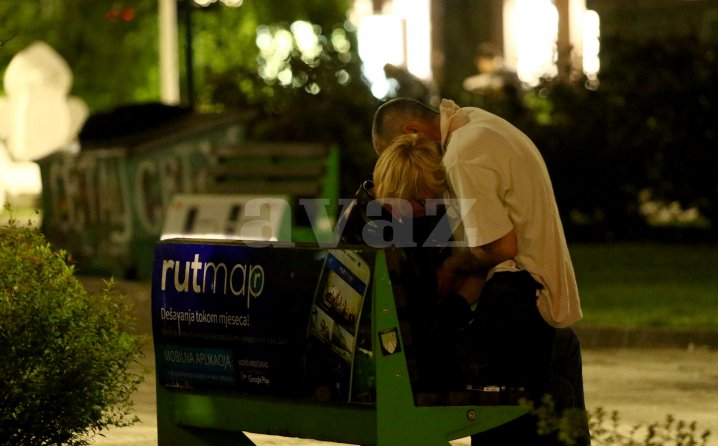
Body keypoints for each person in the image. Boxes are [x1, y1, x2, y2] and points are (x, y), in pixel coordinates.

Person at [371, 98, 589, 445]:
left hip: (516, 305)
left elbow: (500, 248)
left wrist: (454, 269)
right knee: (555, 396)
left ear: (410, 132)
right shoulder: (477, 125)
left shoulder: (463, 155)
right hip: (533, 308)